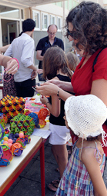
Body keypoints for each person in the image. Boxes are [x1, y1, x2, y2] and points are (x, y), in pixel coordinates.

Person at [36, 1, 107, 157]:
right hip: (84, 137)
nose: (71, 39)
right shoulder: (90, 54)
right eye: (69, 33)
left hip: (97, 143)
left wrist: (57, 91)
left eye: (74, 34)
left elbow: (92, 110)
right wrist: (61, 84)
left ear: (91, 32)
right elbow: (85, 87)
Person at [56, 94, 107, 195]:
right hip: (71, 188)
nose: (64, 117)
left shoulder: (87, 152)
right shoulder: (82, 140)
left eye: (68, 116)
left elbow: (102, 193)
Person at [39, 47, 72, 191]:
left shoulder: (55, 81)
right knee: (62, 152)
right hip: (69, 122)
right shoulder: (71, 74)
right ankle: (64, 174)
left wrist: (45, 102)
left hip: (58, 124)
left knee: (61, 155)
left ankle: (64, 184)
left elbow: (56, 112)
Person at [4, 19, 38, 97]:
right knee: (28, 106)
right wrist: (35, 69)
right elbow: (25, 60)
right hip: (27, 79)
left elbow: (6, 55)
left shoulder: (15, 40)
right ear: (33, 29)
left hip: (16, 78)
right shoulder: (29, 40)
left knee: (20, 105)